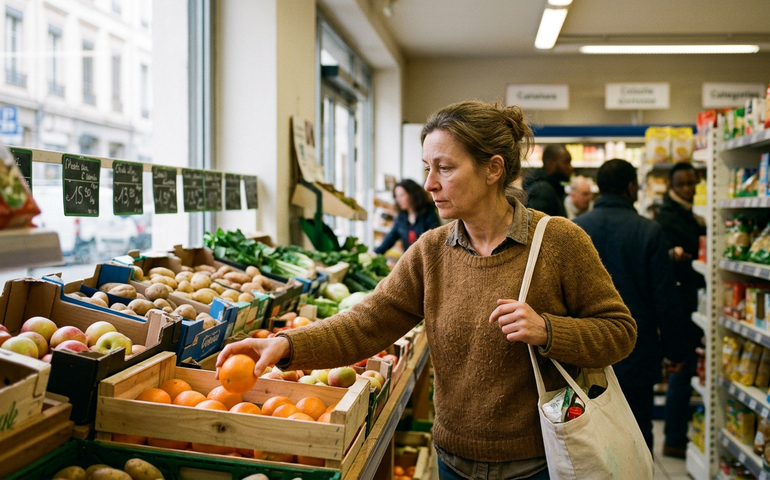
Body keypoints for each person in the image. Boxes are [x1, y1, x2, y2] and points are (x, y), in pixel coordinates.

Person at [217, 100, 637, 480]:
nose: (430, 183)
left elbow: (620, 332)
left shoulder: (558, 242)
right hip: (452, 460)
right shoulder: (432, 252)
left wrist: (548, 329)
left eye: (445, 168)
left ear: (493, 169)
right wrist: (285, 344)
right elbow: (366, 323)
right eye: (427, 168)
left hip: (539, 461)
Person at [573, 159, 686, 452]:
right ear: (631, 187)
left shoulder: (575, 229)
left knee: (590, 432)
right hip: (637, 346)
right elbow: (664, 296)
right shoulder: (649, 231)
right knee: (637, 429)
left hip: (587, 348)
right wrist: (674, 351)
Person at [654, 162, 707, 459]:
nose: (688, 188)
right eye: (682, 184)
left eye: (691, 183)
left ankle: (679, 435)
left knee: (687, 368)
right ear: (672, 186)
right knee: (683, 368)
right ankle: (674, 437)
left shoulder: (692, 212)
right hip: (683, 302)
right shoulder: (668, 217)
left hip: (696, 298)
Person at [374, 178, 440, 254]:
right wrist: (376, 252)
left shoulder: (429, 214)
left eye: (401, 195)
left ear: (413, 194)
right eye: (396, 196)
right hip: (408, 260)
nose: (398, 200)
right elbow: (391, 237)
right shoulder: (401, 217)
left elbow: (435, 243)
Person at [523, 144, 573, 216]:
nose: (570, 168)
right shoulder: (543, 191)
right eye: (566, 162)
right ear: (550, 164)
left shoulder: (551, 188)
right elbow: (538, 225)